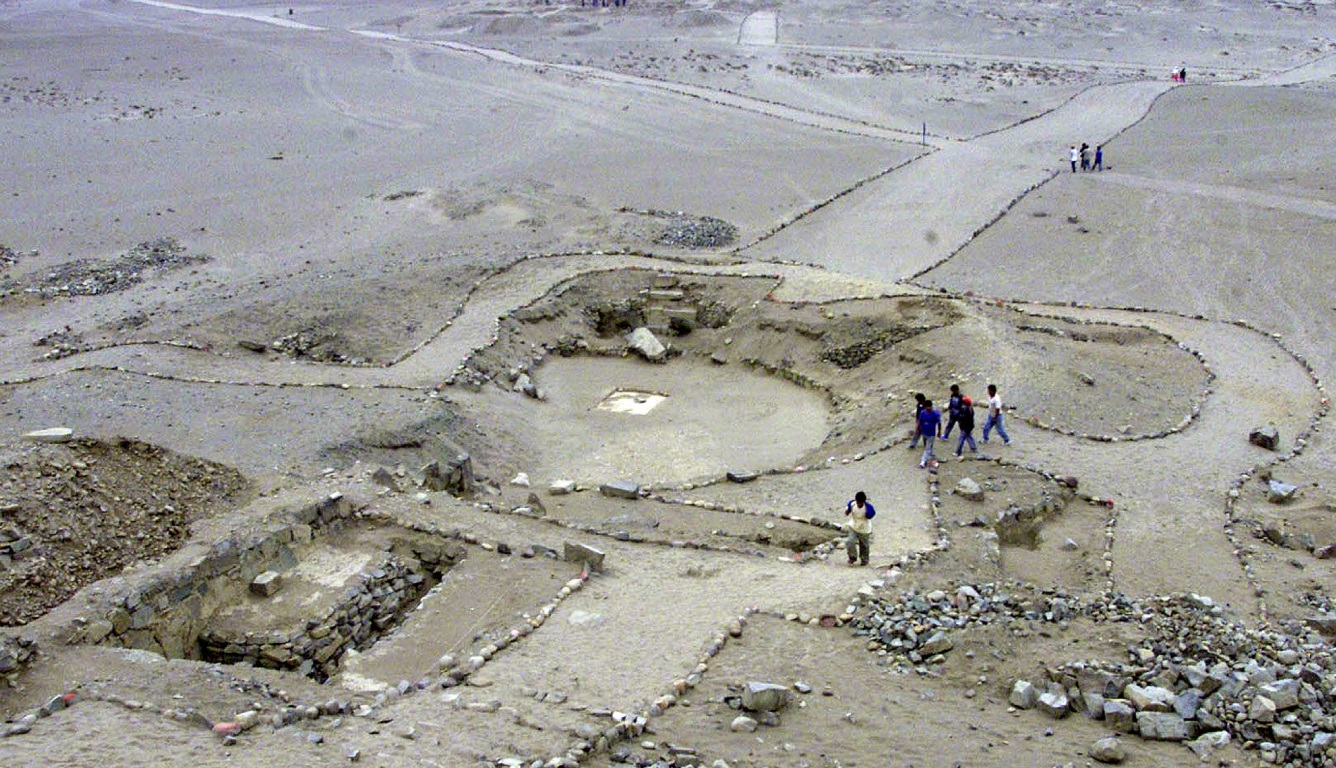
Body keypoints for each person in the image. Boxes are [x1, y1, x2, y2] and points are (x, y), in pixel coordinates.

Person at [843, 491, 875, 566]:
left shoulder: (868, 507)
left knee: (864, 545)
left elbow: (870, 515)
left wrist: (868, 513)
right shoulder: (852, 504)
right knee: (850, 541)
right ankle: (852, 557)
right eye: (858, 502)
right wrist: (847, 511)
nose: (859, 504)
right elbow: (847, 510)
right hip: (853, 526)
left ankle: (864, 560)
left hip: (864, 528)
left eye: (860, 502)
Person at [917, 399, 942, 468]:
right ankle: (931, 456)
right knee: (927, 447)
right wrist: (918, 430)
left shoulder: (935, 414)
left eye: (930, 407)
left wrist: (939, 431)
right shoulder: (922, 413)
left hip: (931, 434)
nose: (929, 408)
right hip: (924, 432)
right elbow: (920, 422)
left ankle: (923, 462)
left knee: (927, 448)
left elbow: (939, 423)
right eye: (927, 407)